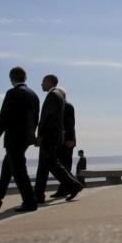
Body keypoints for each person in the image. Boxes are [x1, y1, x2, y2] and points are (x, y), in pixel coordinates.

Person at [0, 66, 40, 212]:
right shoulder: (34, 95)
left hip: (14, 138)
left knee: (19, 171)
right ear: (25, 78)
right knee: (7, 169)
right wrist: (32, 136)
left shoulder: (13, 93)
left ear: (11, 79)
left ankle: (30, 202)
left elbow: (4, 117)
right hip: (26, 138)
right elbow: (35, 118)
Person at [34, 74, 84, 202]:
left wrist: (41, 135)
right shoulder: (55, 97)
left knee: (53, 164)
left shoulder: (54, 96)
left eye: (43, 81)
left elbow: (52, 120)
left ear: (50, 82)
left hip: (52, 138)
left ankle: (72, 185)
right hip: (54, 138)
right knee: (46, 165)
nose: (41, 84)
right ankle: (39, 194)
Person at [50, 87, 76, 199]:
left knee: (65, 165)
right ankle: (66, 188)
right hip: (60, 140)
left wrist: (70, 139)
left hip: (66, 141)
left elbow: (70, 124)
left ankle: (68, 188)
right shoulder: (60, 106)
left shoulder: (67, 106)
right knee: (62, 165)